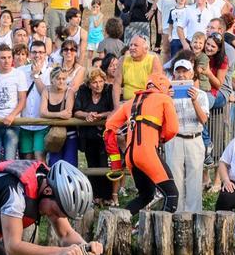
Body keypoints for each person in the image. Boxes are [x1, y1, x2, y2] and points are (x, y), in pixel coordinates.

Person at [105, 72, 180, 217]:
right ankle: (156, 236)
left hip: (130, 157)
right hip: (147, 153)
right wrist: (161, 138)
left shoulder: (130, 102)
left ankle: (116, 224)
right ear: (163, 86)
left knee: (145, 195)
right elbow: (173, 129)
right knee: (172, 195)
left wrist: (115, 158)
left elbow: (110, 125)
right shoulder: (165, 99)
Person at [166, 57, 210, 211]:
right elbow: (164, 119)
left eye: (185, 71)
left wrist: (194, 101)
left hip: (194, 138)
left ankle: (194, 216)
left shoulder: (201, 95)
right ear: (174, 75)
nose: (181, 75)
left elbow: (204, 120)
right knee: (175, 179)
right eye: (178, 71)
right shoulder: (167, 95)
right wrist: (168, 100)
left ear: (192, 74)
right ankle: (175, 215)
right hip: (174, 139)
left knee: (195, 179)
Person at [72, 67, 115, 203]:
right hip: (88, 135)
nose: (98, 85)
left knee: (104, 164)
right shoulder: (83, 91)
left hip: (105, 135)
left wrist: (101, 116)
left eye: (101, 81)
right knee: (91, 163)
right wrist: (87, 115)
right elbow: (76, 111)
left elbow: (115, 110)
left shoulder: (109, 90)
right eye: (95, 82)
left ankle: (107, 196)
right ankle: (95, 196)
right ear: (89, 84)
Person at [0, 44, 27, 164]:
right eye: (3, 58)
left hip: (12, 123)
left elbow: (22, 99)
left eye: (9, 57)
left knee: (9, 161)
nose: (7, 61)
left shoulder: (18, 74)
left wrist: (12, 115)